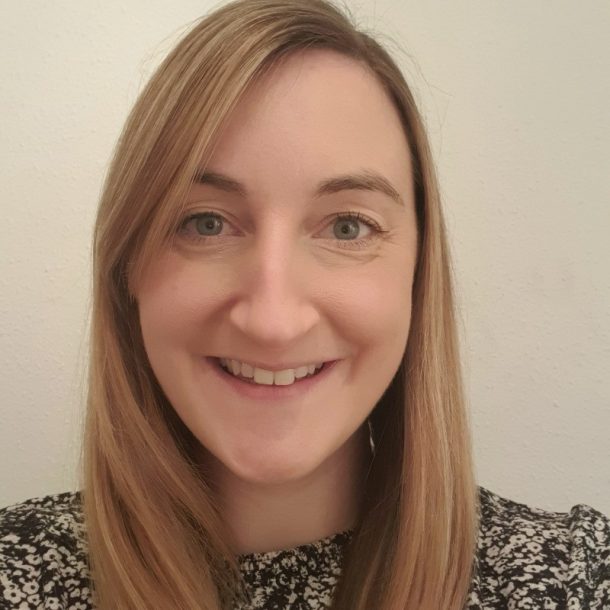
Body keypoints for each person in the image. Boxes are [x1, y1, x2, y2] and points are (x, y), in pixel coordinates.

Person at [1, 0, 608, 608]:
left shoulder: (576, 581)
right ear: (127, 265)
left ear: (419, 273)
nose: (273, 321)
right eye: (206, 223)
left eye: (347, 227)